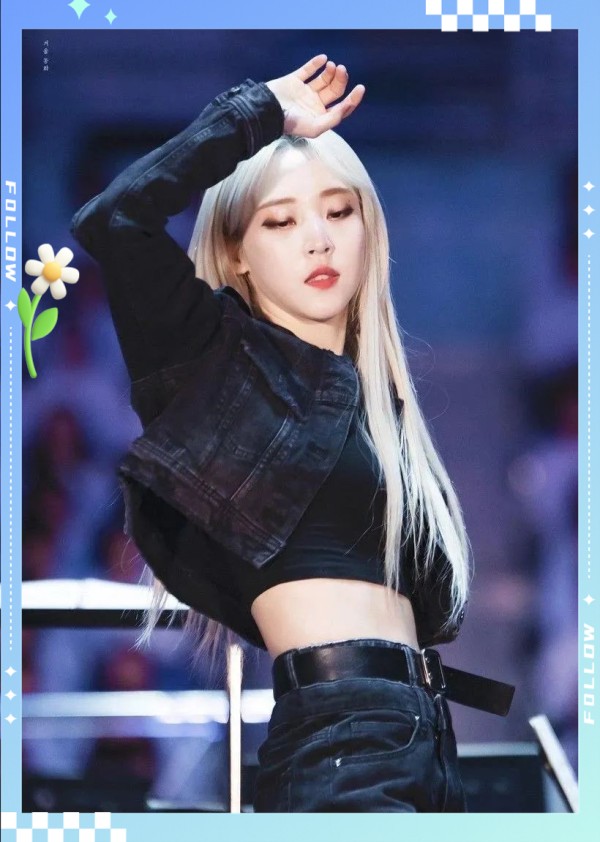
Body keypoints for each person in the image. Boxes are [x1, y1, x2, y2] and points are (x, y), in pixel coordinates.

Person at [71, 54, 512, 813]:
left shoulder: (377, 403)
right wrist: (261, 112)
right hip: (342, 740)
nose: (319, 240)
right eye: (281, 221)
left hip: (425, 741)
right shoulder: (214, 366)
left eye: (339, 212)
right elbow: (116, 220)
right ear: (235, 253)